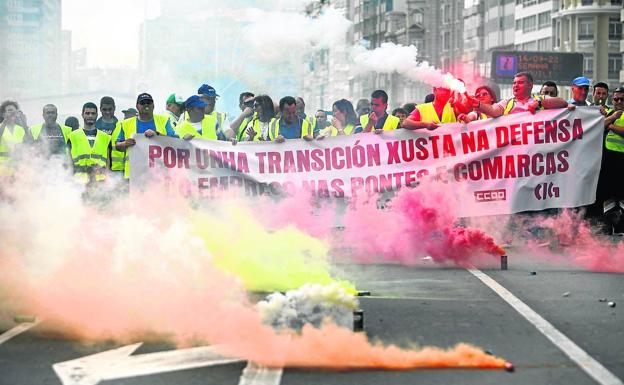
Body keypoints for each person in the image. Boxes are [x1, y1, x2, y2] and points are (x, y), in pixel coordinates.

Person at [115, 93, 177, 180]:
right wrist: (125, 143)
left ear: (153, 105)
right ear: (137, 106)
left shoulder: (164, 121)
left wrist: (158, 135)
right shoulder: (126, 124)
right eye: (143, 103)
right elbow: (118, 146)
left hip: (159, 174)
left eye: (148, 102)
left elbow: (175, 141)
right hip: (134, 175)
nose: (146, 105)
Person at [472, 72, 570, 117]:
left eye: (520, 83)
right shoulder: (507, 102)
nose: (516, 86)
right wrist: (478, 105)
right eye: (514, 83)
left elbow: (562, 102)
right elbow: (494, 111)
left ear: (530, 85)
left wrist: (539, 104)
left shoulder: (540, 98)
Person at [67, 102, 111, 184]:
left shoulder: (105, 137)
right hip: (79, 182)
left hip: (100, 183)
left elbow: (109, 163)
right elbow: (68, 162)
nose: (90, 116)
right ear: (82, 115)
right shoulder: (72, 137)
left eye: (93, 113)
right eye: (87, 113)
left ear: (97, 115)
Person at [600, 86, 624, 233]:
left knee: (622, 195)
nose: (619, 101)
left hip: (622, 160)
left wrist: (611, 123)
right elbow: (599, 126)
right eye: (616, 99)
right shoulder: (608, 113)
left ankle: (621, 226)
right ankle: (607, 225)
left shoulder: (611, 117)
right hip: (607, 159)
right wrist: (610, 118)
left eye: (622, 99)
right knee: (607, 194)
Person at [0, 100, 30, 175]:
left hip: (18, 168)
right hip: (2, 168)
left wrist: (24, 123)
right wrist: (5, 120)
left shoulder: (20, 129)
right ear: (3, 114)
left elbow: (29, 143)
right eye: (9, 110)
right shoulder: (1, 127)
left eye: (14, 111)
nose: (12, 113)